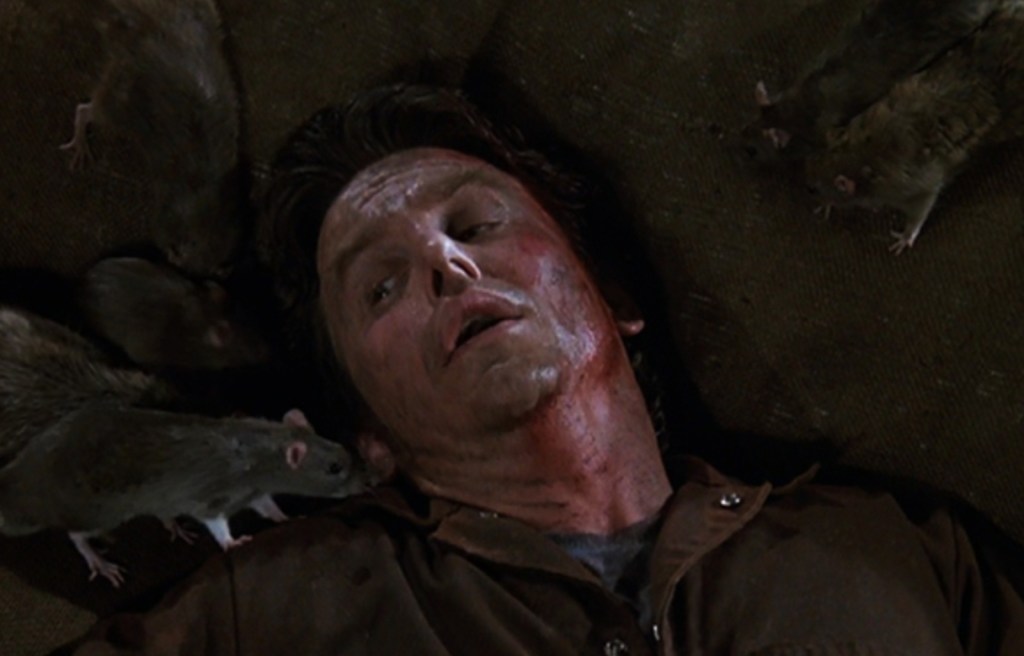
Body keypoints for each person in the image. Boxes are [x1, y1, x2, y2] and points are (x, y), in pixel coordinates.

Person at [68, 84, 1024, 655]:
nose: (447, 264)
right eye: (381, 287)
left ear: (615, 292)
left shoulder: (895, 551)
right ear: (368, 433)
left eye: (477, 223)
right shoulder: (281, 609)